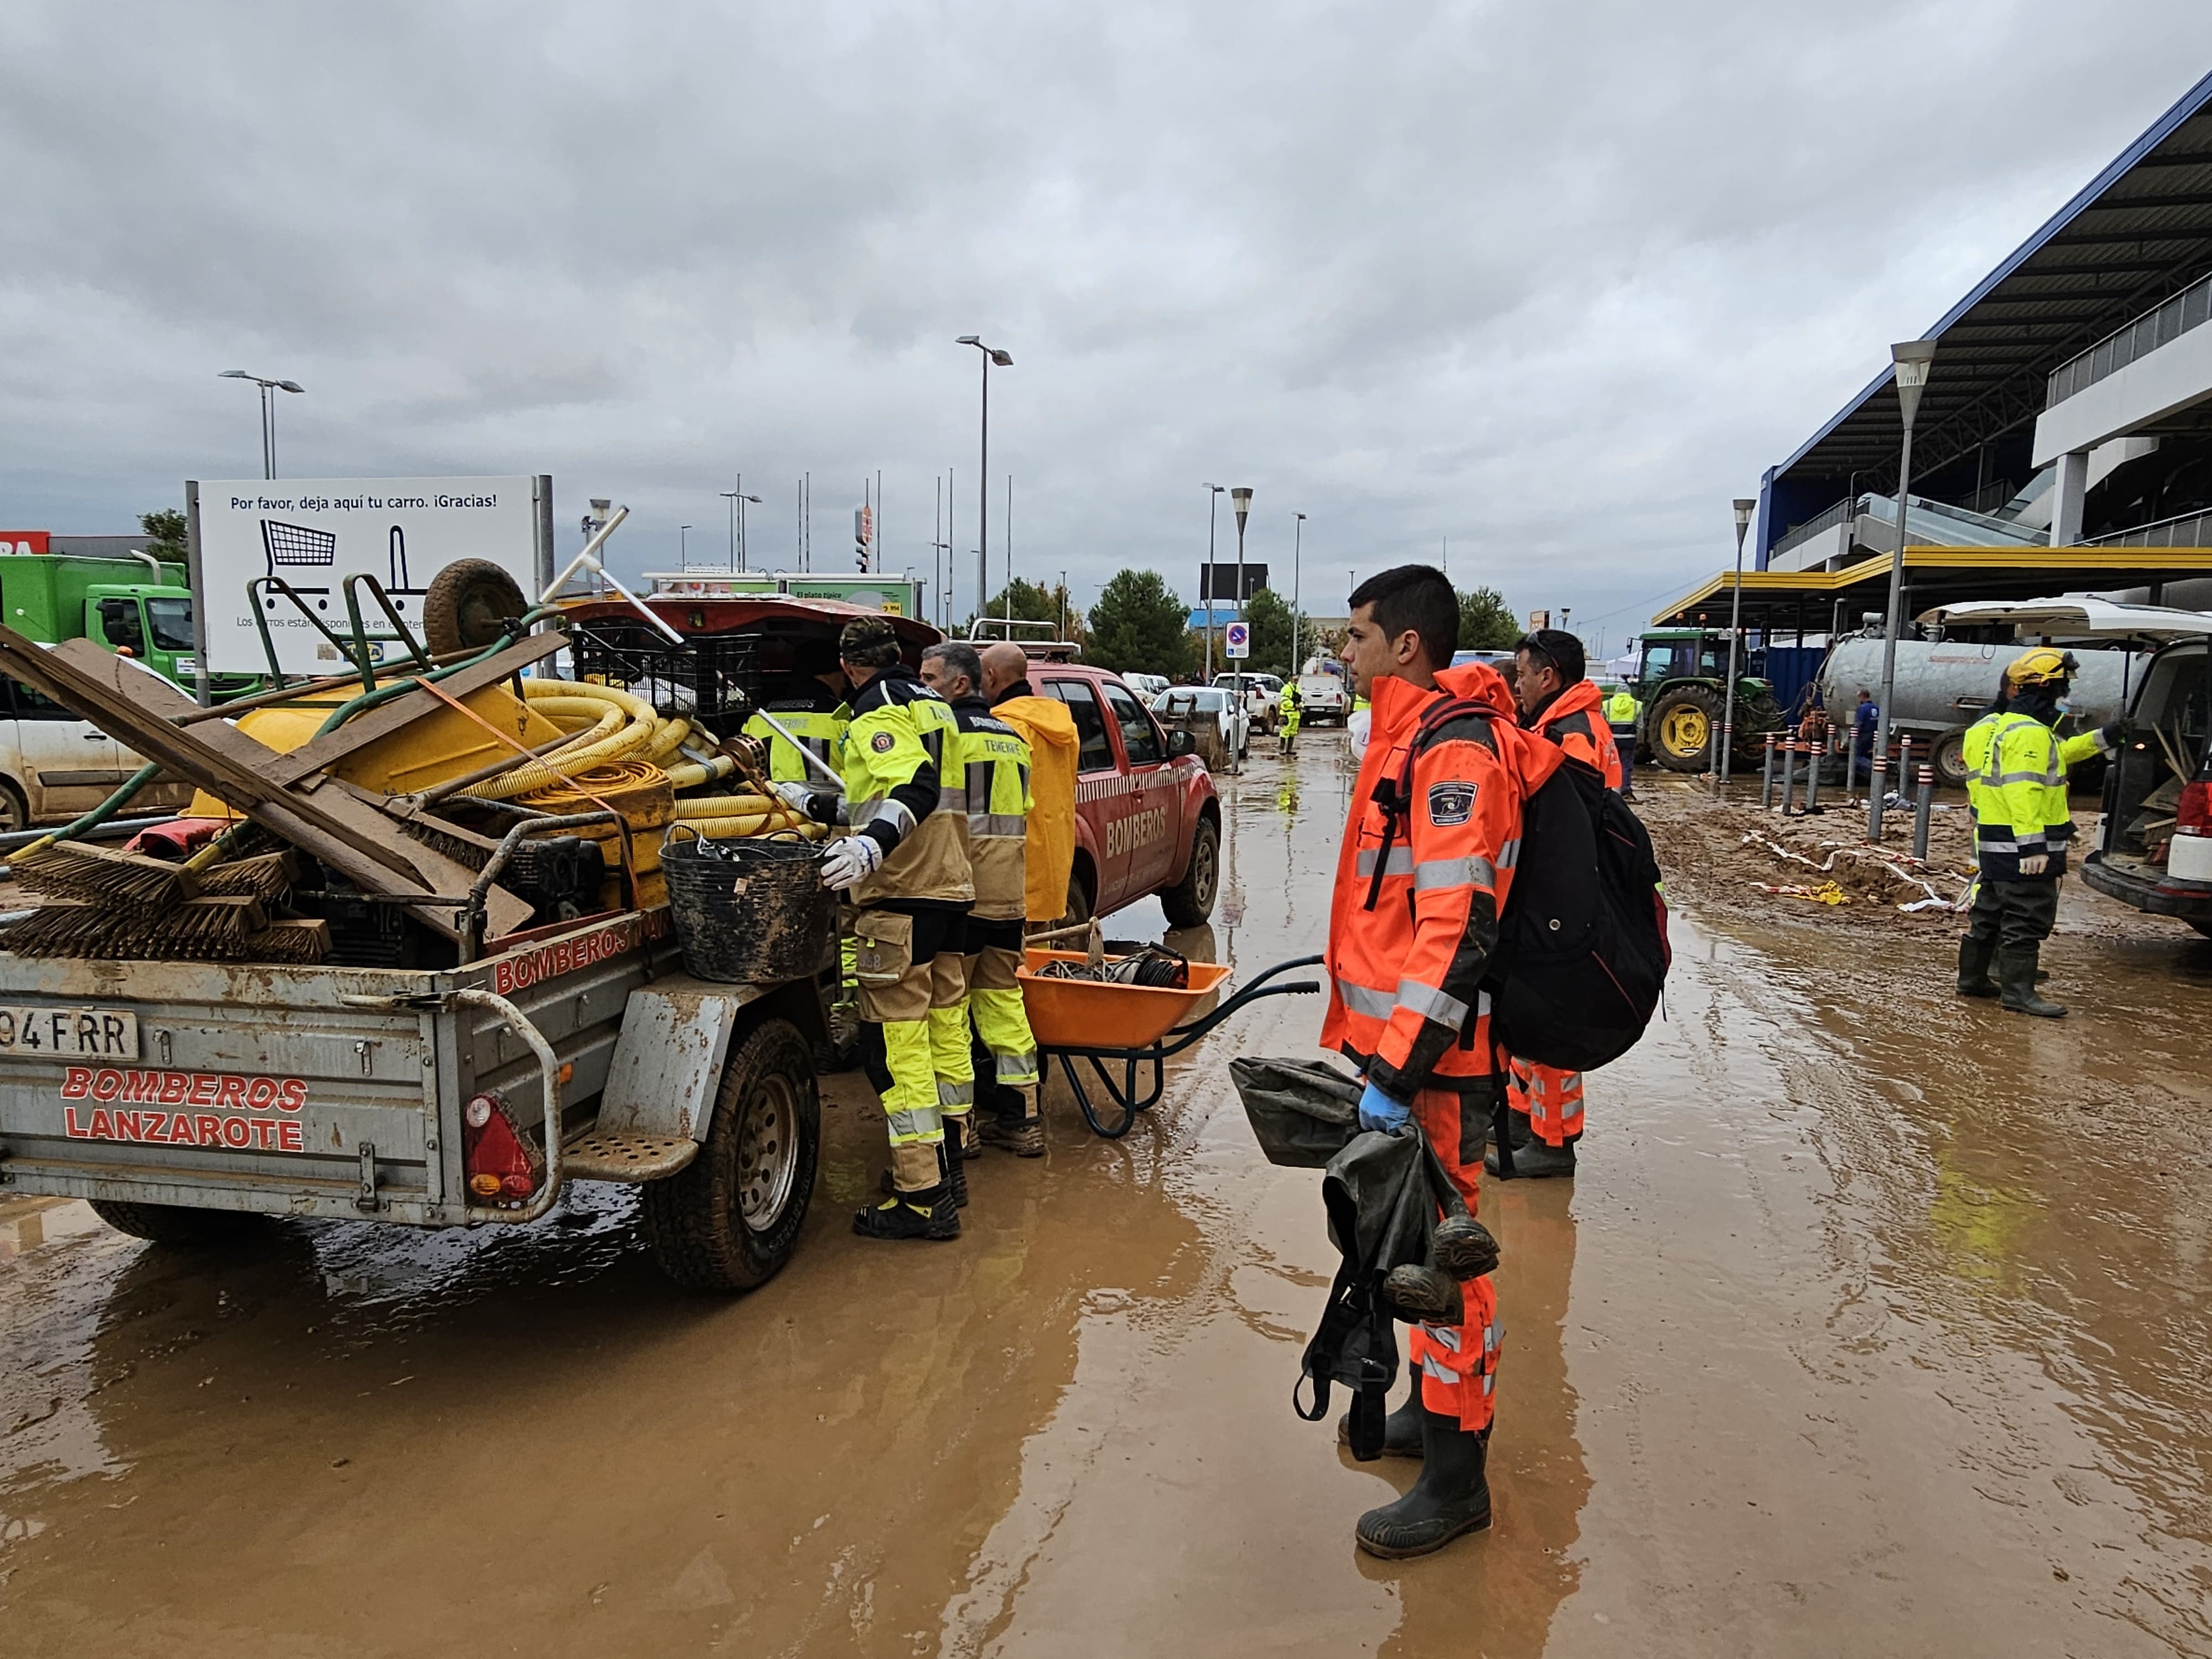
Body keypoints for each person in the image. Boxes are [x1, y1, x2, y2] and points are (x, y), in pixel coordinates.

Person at [1323, 564, 1562, 1559]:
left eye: (1356, 636)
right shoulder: (1413, 740)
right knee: (1414, 1253)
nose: (1344, 652)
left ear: (1406, 645)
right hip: (1415, 1059)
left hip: (1436, 1067)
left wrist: (1395, 1071)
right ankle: (1437, 1417)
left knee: (1449, 1269)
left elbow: (1456, 930)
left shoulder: (1453, 754)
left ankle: (1459, 1481)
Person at [788, 617, 974, 1240]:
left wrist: (870, 848)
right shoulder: (932, 703)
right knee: (944, 1033)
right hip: (949, 889)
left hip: (902, 894)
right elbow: (894, 797)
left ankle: (921, 1198)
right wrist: (813, 804)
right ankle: (949, 1170)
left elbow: (912, 787)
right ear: (898, 655)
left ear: (848, 667)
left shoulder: (875, 707)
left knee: (895, 1052)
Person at [1486, 628, 1620, 1181]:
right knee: (1527, 1021)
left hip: (1564, 899)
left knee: (1554, 1026)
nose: (1516, 684)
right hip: (1554, 896)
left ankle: (1554, 1142)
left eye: (1522, 674)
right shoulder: (1560, 724)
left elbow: (1568, 827)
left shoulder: (1572, 736)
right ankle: (1522, 1124)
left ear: (1549, 676)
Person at [921, 641, 1041, 1180]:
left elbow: (934, 818)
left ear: (960, 685)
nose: (924, 689)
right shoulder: (1014, 740)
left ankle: (959, 1129)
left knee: (949, 1014)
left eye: (930, 680)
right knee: (1003, 1004)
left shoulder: (946, 736)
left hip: (961, 893)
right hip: (1008, 896)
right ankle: (1023, 1120)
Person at [1958, 649, 2121, 1017]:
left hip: (1992, 837)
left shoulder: (1988, 728)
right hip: (2023, 843)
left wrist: (2104, 738)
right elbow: (2025, 789)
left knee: (1989, 912)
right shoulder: (2031, 733)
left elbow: (2055, 757)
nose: (2063, 701)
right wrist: (2034, 845)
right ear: (2045, 690)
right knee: (2027, 916)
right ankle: (2018, 993)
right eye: (2060, 691)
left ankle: (1972, 979)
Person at [976, 640, 1079, 1155]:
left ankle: (1012, 1093)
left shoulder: (1006, 725)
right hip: (1052, 863)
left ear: (994, 676)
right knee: (1028, 979)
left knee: (1002, 990)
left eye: (980, 673)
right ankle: (1029, 1082)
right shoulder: (1060, 721)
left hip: (1012, 868)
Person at [741, 639, 849, 788]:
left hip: (767, 806)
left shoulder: (758, 718)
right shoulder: (842, 717)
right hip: (828, 806)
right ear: (830, 675)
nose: (844, 685)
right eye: (843, 677)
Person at [1604, 682, 1639, 800]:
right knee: (1626, 765)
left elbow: (1602, 723)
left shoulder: (1608, 704)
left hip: (1612, 740)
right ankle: (1625, 790)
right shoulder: (1636, 705)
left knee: (1610, 764)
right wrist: (1635, 737)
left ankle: (1609, 788)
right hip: (1629, 739)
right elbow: (1640, 725)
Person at [1851, 688, 1880, 786]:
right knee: (1866, 753)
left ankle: (1873, 768)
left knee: (1856, 756)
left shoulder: (1862, 709)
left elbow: (1858, 724)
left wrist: (1852, 737)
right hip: (1874, 735)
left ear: (1862, 697)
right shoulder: (1876, 708)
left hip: (1864, 735)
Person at [1278, 679, 1302, 757]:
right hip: (1287, 714)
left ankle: (1289, 749)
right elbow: (1285, 701)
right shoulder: (1286, 688)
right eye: (1295, 680)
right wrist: (1294, 705)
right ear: (1290, 679)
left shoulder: (1298, 688)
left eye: (1297, 680)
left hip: (1296, 714)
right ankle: (1282, 749)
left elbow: (1302, 699)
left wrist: (1301, 705)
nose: (1296, 681)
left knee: (1293, 732)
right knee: (1285, 732)